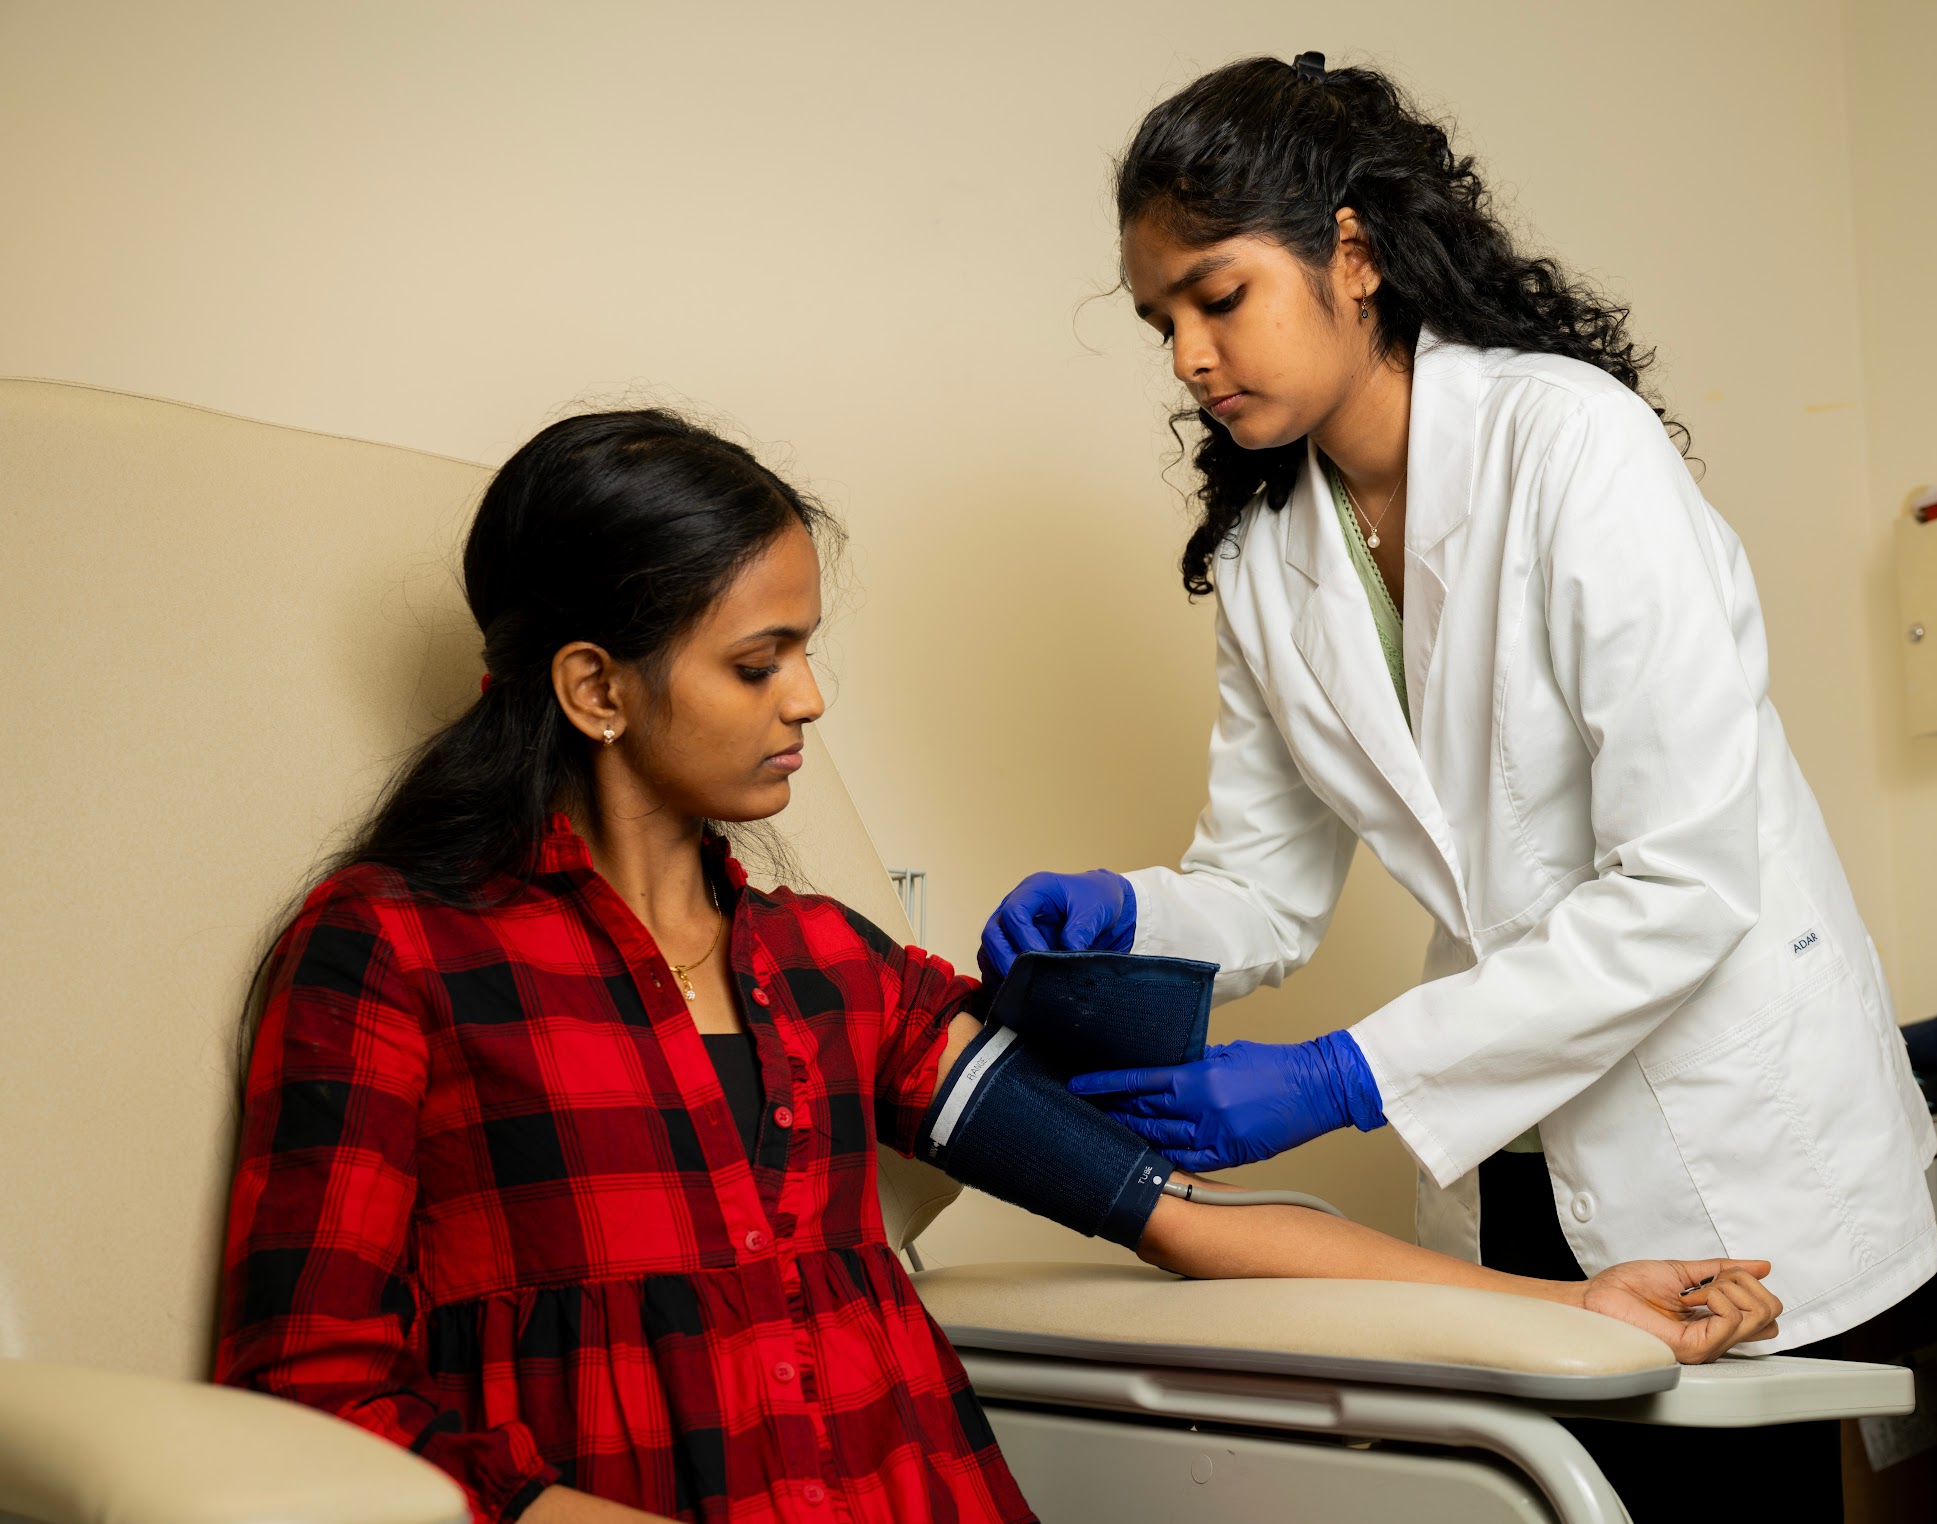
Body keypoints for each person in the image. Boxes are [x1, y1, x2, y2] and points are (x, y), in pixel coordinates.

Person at [216, 409, 1781, 1524]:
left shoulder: (828, 976)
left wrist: (1571, 1304)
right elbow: (308, 1372)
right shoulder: (393, 953)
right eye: (759, 661)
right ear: (593, 688)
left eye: (807, 648)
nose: (809, 700)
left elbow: (1187, 1227)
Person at [980, 54, 1937, 1520]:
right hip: (1506, 1145)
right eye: (1159, 318)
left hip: (1722, 1125)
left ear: (1350, 254)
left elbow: (1684, 881)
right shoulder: (1265, 562)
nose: (1185, 352)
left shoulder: (1570, 449)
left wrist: (1339, 1077)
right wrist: (1123, 912)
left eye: (1216, 295)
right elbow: (1260, 888)